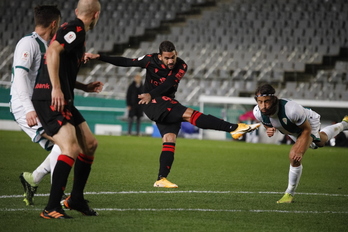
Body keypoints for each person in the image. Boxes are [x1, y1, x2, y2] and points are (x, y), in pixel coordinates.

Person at [84, 40, 260, 188]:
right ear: (159, 56)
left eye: (173, 57)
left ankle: (161, 178)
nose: (170, 61)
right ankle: (233, 128)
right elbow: (126, 62)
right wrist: (100, 57)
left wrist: (151, 93)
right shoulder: (148, 59)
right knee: (190, 114)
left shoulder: (181, 65)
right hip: (152, 103)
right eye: (167, 58)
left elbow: (168, 84)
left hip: (164, 103)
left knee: (169, 139)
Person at [32, 0, 102, 219]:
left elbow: (61, 65)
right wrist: (56, 89)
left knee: (89, 144)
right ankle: (51, 206)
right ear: (96, 15)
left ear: (76, 11)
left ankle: (76, 199)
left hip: (64, 97)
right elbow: (52, 52)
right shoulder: (76, 28)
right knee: (70, 147)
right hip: (51, 97)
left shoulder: (74, 30)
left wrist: (84, 87)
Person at [253, 83, 348, 203]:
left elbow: (306, 130)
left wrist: (300, 151)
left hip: (309, 124)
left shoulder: (292, 110)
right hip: (293, 130)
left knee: (294, 156)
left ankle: (289, 194)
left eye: (266, 101)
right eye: (260, 102)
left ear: (274, 99)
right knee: (320, 142)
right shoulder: (257, 112)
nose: (263, 106)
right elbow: (267, 122)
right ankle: (344, 124)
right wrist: (269, 129)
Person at [9, 5, 62, 206]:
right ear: (54, 23)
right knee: (66, 143)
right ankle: (56, 198)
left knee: (66, 144)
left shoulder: (45, 46)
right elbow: (21, 77)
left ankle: (34, 179)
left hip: (38, 105)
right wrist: (29, 109)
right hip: (26, 106)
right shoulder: (27, 44)